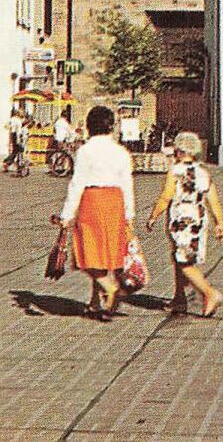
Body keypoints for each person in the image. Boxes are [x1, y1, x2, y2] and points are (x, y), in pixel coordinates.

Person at [53, 105, 135, 320]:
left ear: (90, 126)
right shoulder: (121, 152)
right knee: (106, 254)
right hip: (115, 202)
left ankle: (109, 288)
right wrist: (129, 213)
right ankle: (96, 303)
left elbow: (77, 183)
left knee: (87, 253)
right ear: (111, 126)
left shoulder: (85, 151)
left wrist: (67, 214)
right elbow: (127, 184)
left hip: (92, 201)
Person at [146, 131, 223, 317]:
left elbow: (166, 196)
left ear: (180, 151)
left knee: (184, 261)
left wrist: (153, 216)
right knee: (180, 256)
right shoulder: (203, 173)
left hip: (181, 219)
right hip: (198, 218)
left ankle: (209, 293)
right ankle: (179, 299)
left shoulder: (175, 171)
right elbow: (213, 200)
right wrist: (220, 223)